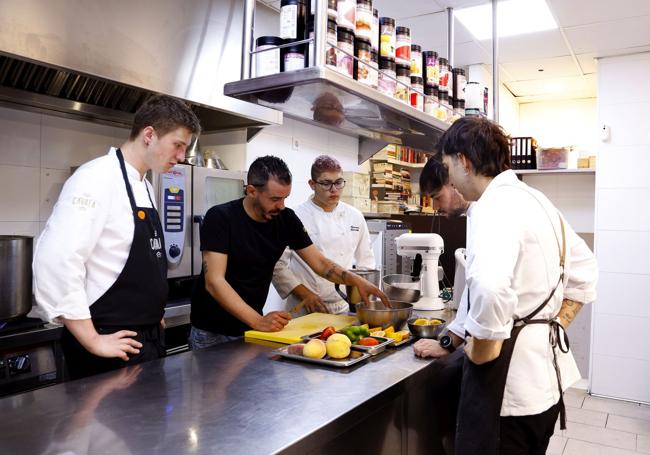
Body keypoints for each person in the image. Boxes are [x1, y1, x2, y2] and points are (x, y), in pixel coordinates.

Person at [437, 116, 598, 454]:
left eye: (448, 165)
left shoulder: (494, 207)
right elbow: (585, 270)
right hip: (545, 384)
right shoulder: (537, 200)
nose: (448, 176)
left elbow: (491, 287)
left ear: (463, 161)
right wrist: (553, 323)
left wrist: (482, 351)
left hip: (506, 396)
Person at [32, 95, 201, 379]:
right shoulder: (95, 178)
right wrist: (92, 340)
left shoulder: (144, 185)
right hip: (108, 345)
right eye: (178, 145)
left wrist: (151, 311)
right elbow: (57, 260)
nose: (182, 157)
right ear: (149, 135)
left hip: (143, 340)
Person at [189, 155, 388, 349]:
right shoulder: (221, 217)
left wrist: (356, 280)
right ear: (251, 191)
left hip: (252, 327)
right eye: (275, 198)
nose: (281, 206)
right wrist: (258, 321)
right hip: (212, 330)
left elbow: (320, 263)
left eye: (285, 198)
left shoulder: (285, 219)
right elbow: (214, 282)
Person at [272, 155, 376, 315]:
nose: (334, 189)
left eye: (339, 182)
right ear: (312, 184)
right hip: (305, 305)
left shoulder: (355, 216)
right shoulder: (295, 216)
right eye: (326, 183)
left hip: (344, 306)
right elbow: (278, 266)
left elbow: (366, 265)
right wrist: (306, 295)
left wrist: (359, 299)